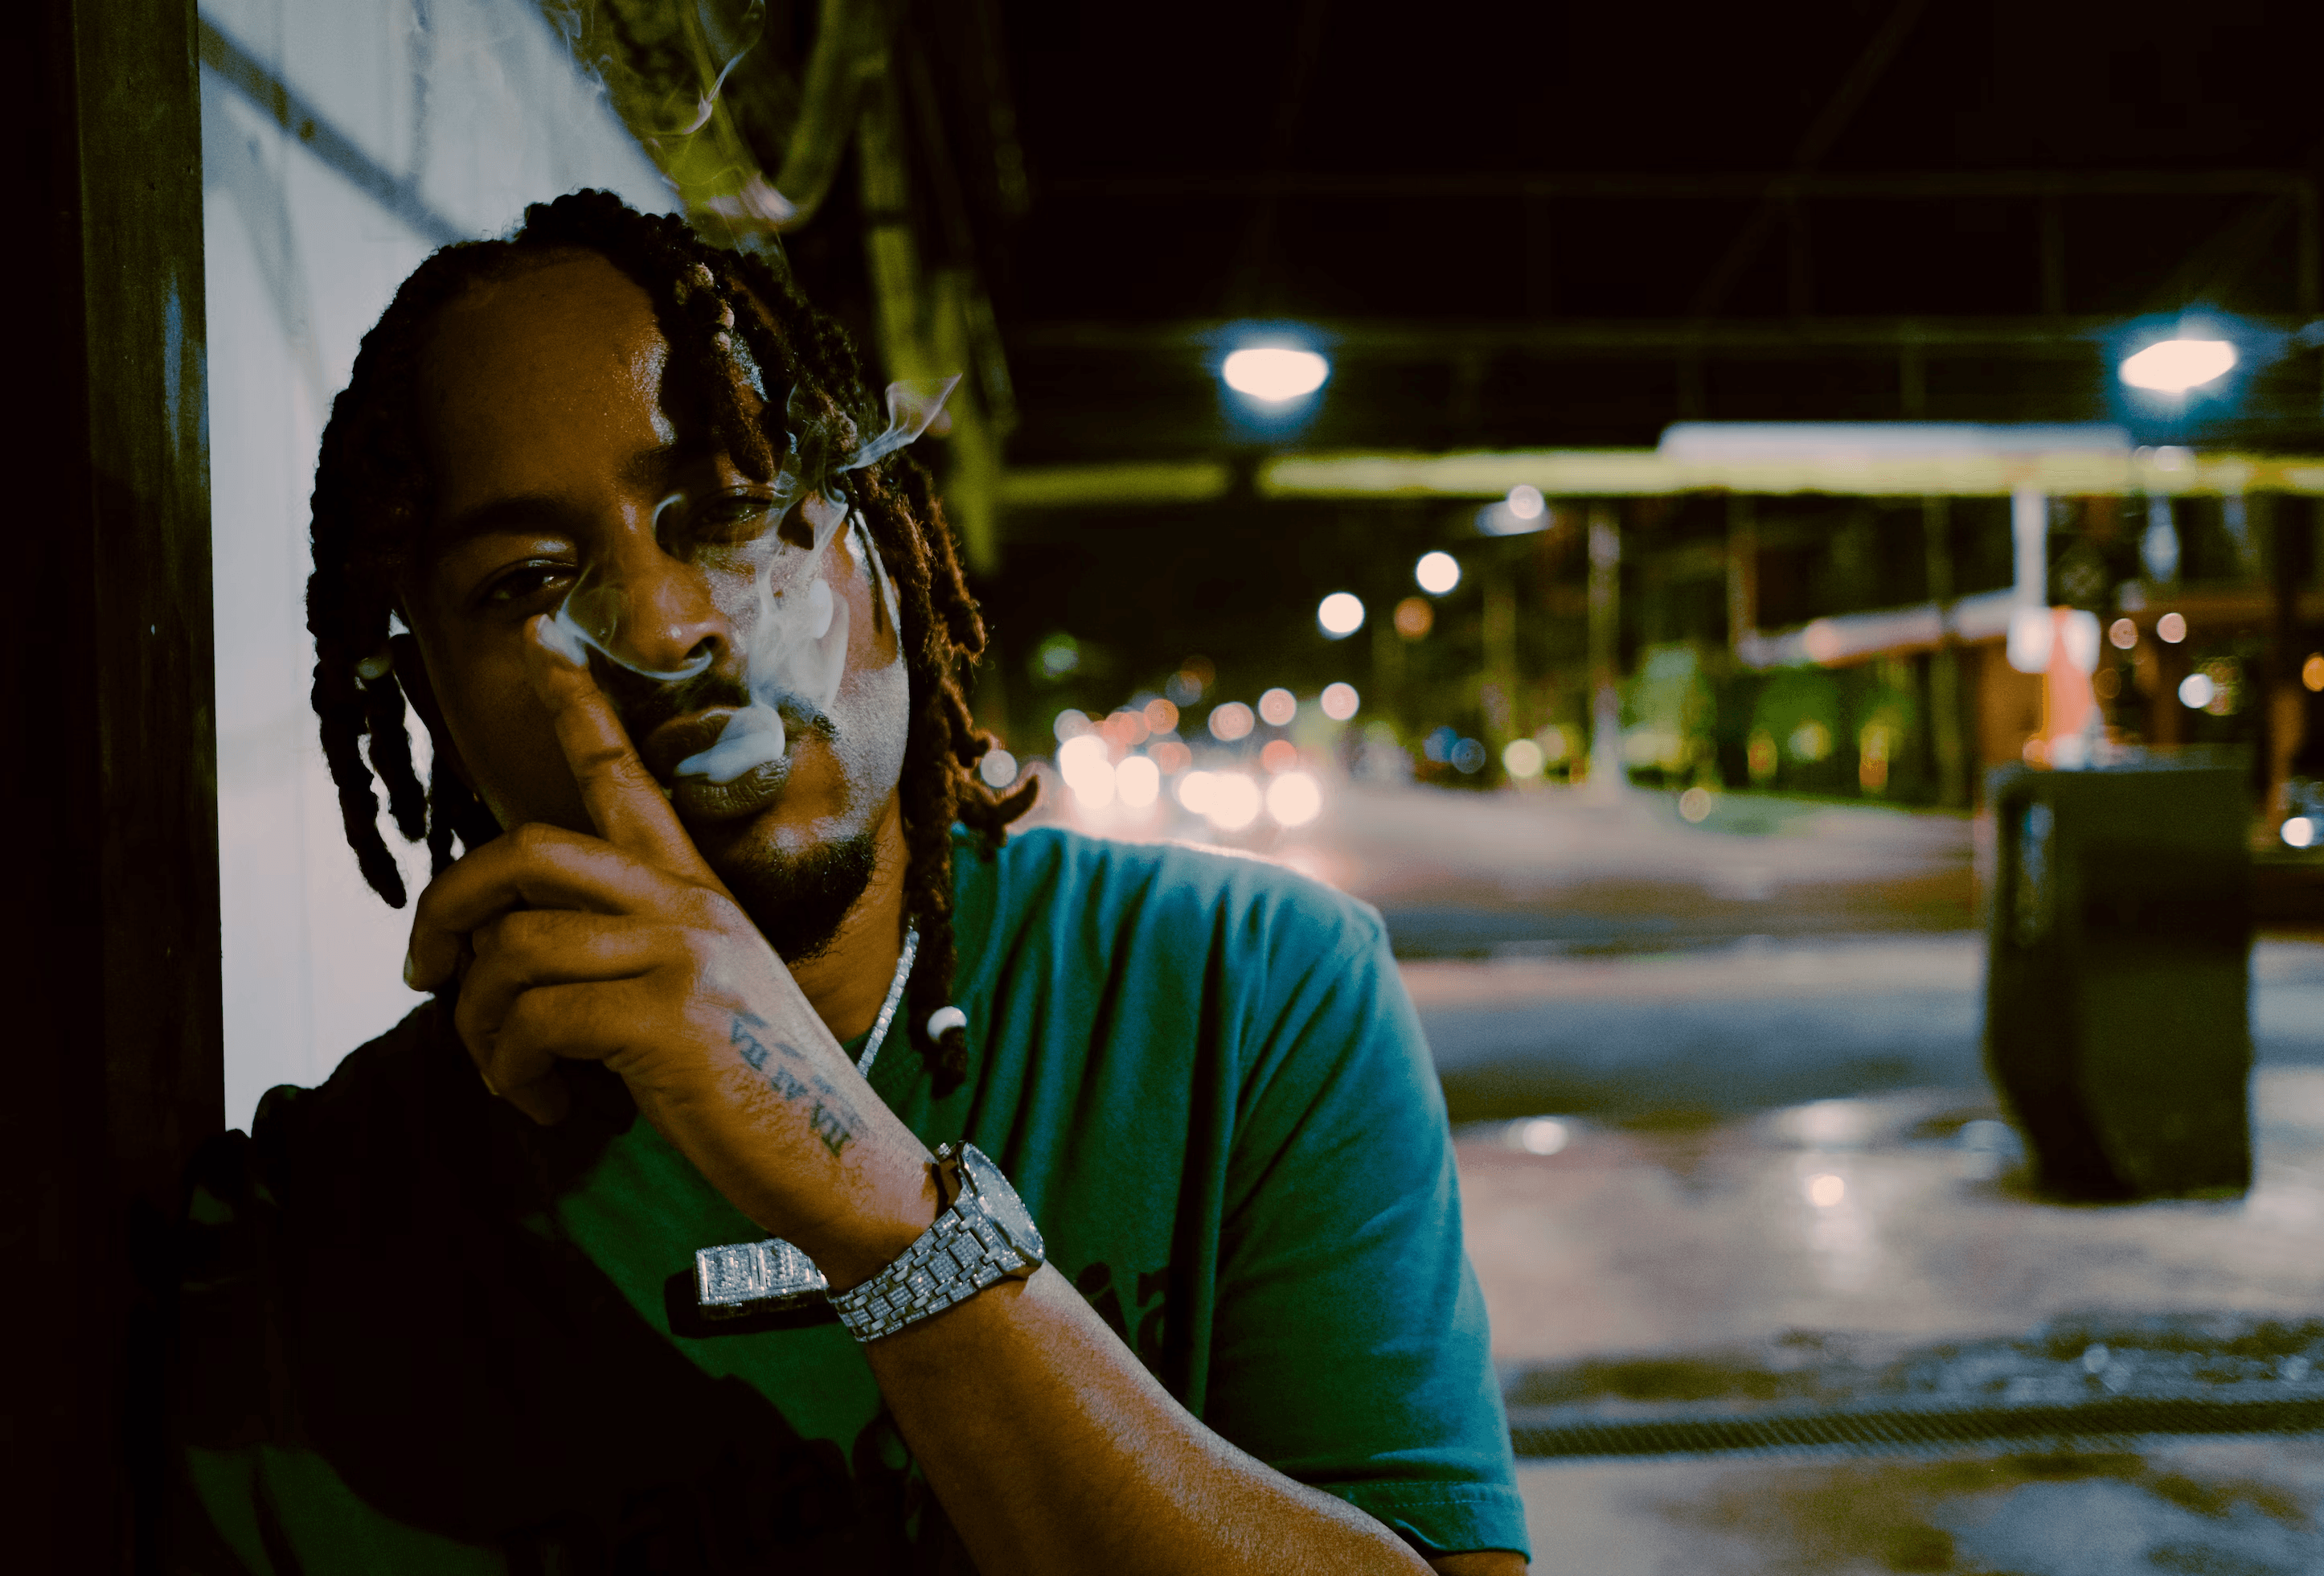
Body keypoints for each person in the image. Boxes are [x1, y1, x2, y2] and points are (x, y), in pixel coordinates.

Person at [168, 189, 1529, 1574]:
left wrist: (882, 1215)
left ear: (874, 540)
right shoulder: (321, 1231)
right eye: (527, 583)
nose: (666, 624)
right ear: (433, 693)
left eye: (734, 510)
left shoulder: (1244, 989)